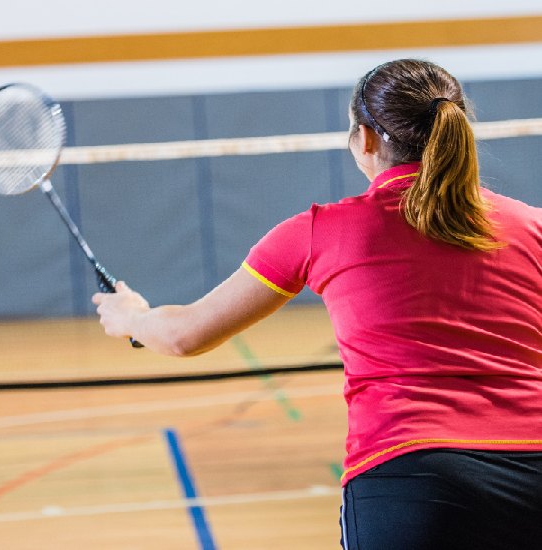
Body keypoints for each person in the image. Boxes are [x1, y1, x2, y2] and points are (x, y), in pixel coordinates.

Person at [93, 59, 541, 549]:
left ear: (366, 140)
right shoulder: (531, 225)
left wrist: (131, 317)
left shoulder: (319, 231)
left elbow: (185, 335)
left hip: (410, 476)